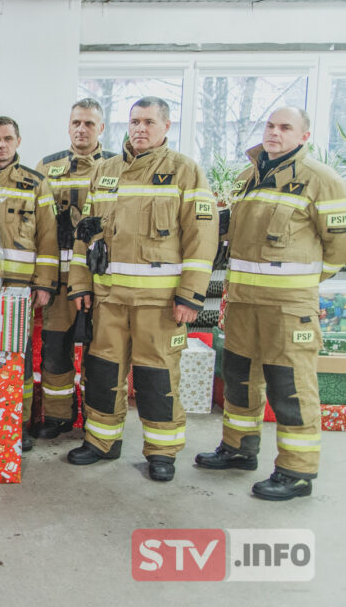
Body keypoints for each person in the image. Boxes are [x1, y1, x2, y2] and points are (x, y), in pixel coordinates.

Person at [195, 107, 346, 500]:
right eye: (270, 126)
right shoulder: (251, 176)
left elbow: (340, 246)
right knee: (241, 378)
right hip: (243, 301)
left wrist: (305, 283)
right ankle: (238, 449)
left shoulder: (321, 180)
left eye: (285, 128)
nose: (275, 133)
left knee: (290, 386)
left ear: (304, 136)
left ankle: (296, 472)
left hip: (287, 307)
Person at [67, 97, 217, 482]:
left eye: (149, 122)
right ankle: (101, 441)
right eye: (135, 121)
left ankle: (162, 452)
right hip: (109, 299)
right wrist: (81, 283)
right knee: (102, 372)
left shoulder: (185, 172)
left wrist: (191, 296)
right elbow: (87, 233)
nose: (140, 129)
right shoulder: (106, 170)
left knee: (157, 378)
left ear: (166, 127)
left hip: (160, 303)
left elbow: (202, 240)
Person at [0, 116, 58, 451]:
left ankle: (18, 423)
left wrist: (44, 284)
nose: (0, 145)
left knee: (17, 358)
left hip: (20, 289)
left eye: (6, 139)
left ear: (18, 141)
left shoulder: (36, 183)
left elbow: (48, 238)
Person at [32, 99, 116, 439]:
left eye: (90, 124)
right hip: (60, 281)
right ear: (69, 126)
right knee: (55, 351)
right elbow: (38, 225)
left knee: (100, 355)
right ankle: (57, 417)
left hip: (103, 280)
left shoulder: (117, 165)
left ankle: (96, 422)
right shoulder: (47, 166)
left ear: (101, 129)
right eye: (77, 122)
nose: (82, 129)